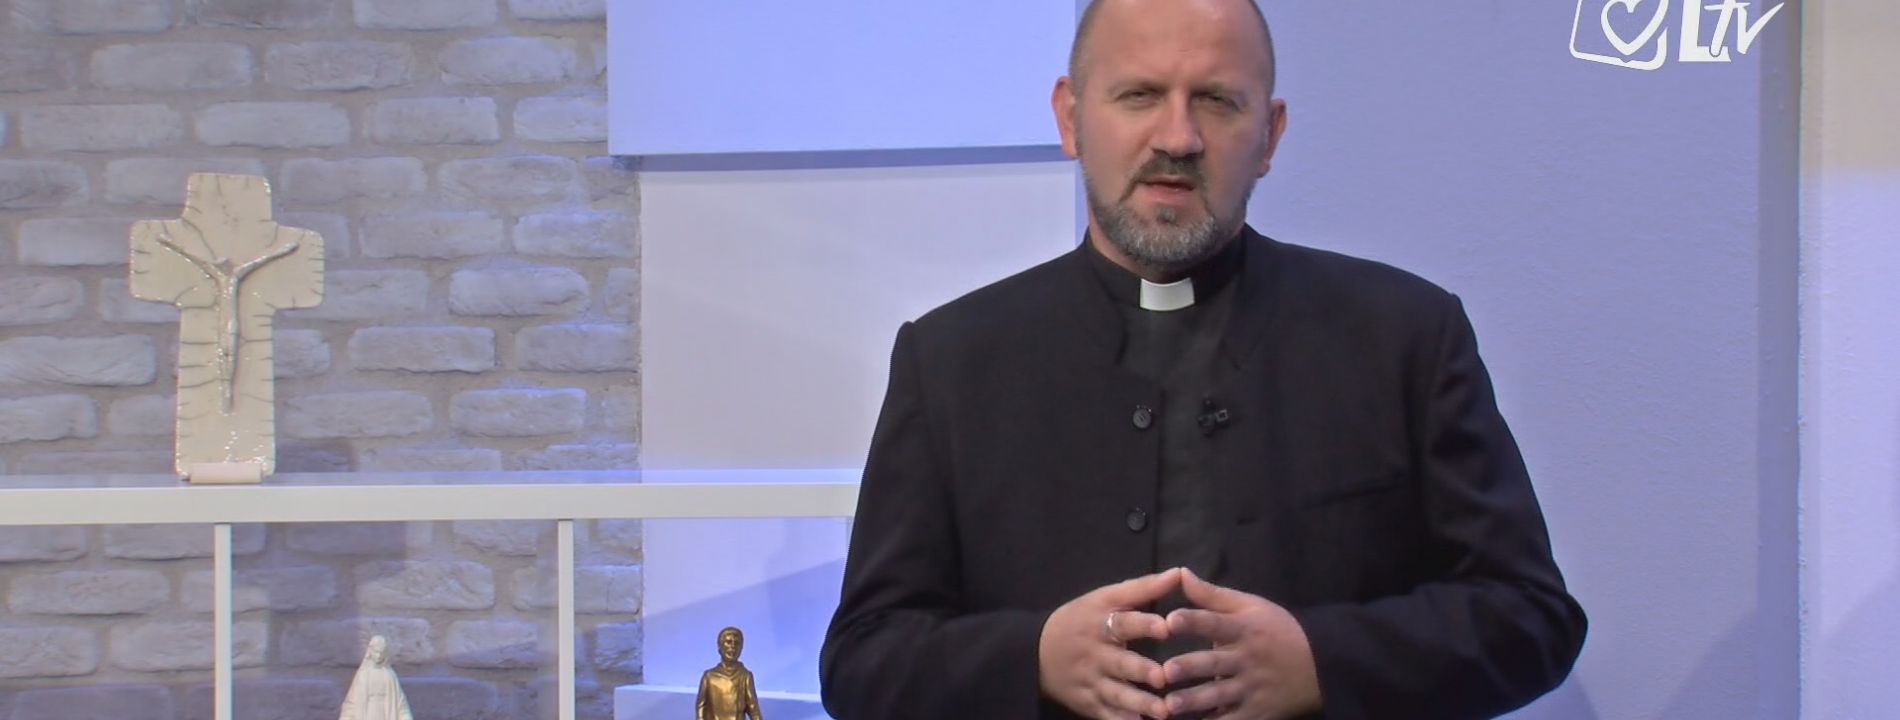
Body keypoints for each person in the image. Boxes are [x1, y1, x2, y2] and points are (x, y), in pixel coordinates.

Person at [818, 0, 1587, 718]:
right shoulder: (951, 360)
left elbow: (1531, 617)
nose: (1178, 138)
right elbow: (863, 660)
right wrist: (1036, 658)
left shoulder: (1403, 335)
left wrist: (1319, 661)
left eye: (1218, 101)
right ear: (1070, 117)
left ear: (1271, 136)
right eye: (1140, 95)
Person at [697, 626, 765, 720]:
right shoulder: (709, 676)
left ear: (741, 648)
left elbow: (753, 709)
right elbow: (701, 707)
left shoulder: (745, 676)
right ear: (720, 646)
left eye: (736, 643)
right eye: (728, 642)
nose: (732, 646)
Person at [339, 635, 412, 720]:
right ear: (370, 651)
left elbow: (400, 704)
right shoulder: (363, 675)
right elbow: (351, 703)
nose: (379, 656)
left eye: (381, 653)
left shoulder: (389, 675)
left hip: (385, 714)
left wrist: (406, 717)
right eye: (376, 652)